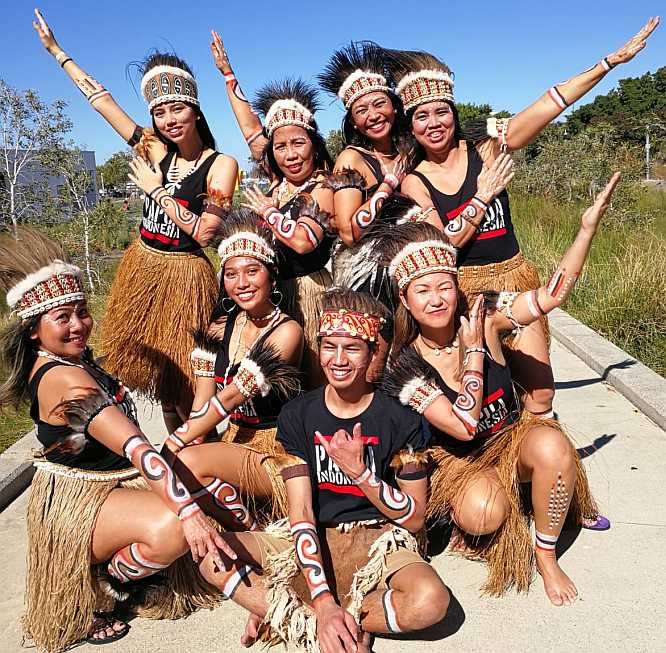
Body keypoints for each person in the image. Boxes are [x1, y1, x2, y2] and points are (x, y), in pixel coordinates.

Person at [385, 17, 659, 422]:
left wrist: (610, 63)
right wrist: (482, 196)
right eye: (421, 117)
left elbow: (551, 104)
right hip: (464, 294)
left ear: (454, 113)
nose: (434, 123)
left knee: (540, 394)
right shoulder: (414, 182)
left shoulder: (489, 148)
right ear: (411, 125)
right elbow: (444, 246)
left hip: (517, 279)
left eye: (441, 112)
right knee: (486, 399)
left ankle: (543, 465)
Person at [379, 174, 620, 606]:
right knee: (484, 513)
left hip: (511, 436)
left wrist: (585, 230)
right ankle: (491, 513)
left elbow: (551, 295)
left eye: (444, 286)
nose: (436, 299)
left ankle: (545, 553)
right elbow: (466, 428)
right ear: (406, 300)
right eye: (423, 291)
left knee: (553, 448)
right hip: (463, 459)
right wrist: (474, 353)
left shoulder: (486, 313)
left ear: (457, 287)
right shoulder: (404, 367)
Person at [0, 229, 235, 652]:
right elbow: (139, 449)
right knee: (176, 528)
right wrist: (189, 514)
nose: (78, 325)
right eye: (62, 318)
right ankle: (102, 586)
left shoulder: (73, 360)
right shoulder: (67, 381)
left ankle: (128, 565)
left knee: (211, 484)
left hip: (110, 485)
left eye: (82, 312)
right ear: (34, 329)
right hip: (83, 501)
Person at [197, 289, 449, 652]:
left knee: (430, 601)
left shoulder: (401, 417)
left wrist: (360, 473)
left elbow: (413, 519)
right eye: (330, 346)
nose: (339, 359)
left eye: (352, 348)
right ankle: (326, 621)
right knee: (213, 559)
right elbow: (301, 513)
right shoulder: (298, 415)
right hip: (314, 532)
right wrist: (324, 603)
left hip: (378, 539)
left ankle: (298, 615)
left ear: (372, 353)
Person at [33, 9, 239, 431]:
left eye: (178, 108)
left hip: (185, 275)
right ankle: (175, 457)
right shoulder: (154, 150)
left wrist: (157, 191)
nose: (169, 119)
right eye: (160, 112)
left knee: (187, 377)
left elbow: (205, 231)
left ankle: (202, 449)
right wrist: (57, 52)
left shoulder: (221, 164)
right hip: (144, 266)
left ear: (196, 111)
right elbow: (103, 102)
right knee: (157, 378)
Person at [162, 209, 304, 526]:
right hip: (234, 439)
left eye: (252, 271)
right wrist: (192, 437)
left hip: (277, 449)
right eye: (231, 274)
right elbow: (203, 399)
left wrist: (173, 443)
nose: (241, 283)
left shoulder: (287, 332)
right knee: (183, 468)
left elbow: (229, 399)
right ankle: (242, 527)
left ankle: (250, 534)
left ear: (271, 274)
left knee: (183, 460)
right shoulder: (220, 329)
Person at [211, 31, 334, 386]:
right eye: (281, 146)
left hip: (310, 292)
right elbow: (250, 126)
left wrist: (270, 213)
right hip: (269, 295)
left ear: (314, 144)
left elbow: (302, 242)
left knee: (311, 379)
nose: (290, 154)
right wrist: (227, 74)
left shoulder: (325, 186)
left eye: (299, 143)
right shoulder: (277, 181)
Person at [318, 41, 408, 379]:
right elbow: (349, 231)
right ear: (353, 121)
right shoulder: (351, 160)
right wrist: (387, 186)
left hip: (404, 268)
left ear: (394, 107)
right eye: (361, 111)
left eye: (379, 104)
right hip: (366, 278)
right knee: (373, 362)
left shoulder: (408, 151)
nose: (373, 116)